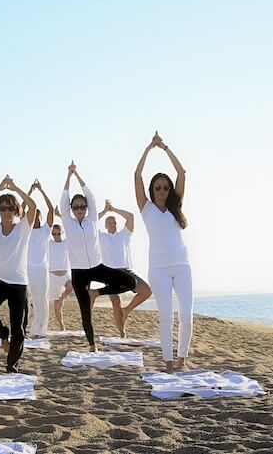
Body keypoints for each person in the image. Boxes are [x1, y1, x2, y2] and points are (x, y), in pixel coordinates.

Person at [60, 160, 139, 352]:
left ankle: (97, 292)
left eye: (82, 207)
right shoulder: (68, 222)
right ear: (71, 209)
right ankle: (92, 344)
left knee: (130, 282)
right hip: (79, 272)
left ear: (87, 208)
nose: (79, 210)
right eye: (76, 207)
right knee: (85, 309)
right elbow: (63, 198)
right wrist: (68, 176)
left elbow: (90, 195)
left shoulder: (93, 219)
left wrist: (78, 174)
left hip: (97, 266)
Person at [135, 131, 192, 372]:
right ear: (152, 190)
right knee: (166, 317)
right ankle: (168, 363)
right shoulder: (145, 208)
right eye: (157, 187)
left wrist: (165, 147)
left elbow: (182, 173)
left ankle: (182, 361)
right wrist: (149, 148)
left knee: (186, 316)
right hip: (157, 269)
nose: (161, 191)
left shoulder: (175, 206)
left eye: (165, 188)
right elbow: (137, 175)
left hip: (181, 266)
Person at [0, 175, 37, 373]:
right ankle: (3, 334)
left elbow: (33, 206)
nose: (7, 212)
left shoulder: (23, 229)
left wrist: (16, 188)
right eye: (3, 208)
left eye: (11, 208)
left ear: (17, 210)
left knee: (19, 329)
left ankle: (12, 365)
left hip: (19, 284)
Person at [96, 200, 153, 337]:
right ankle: (122, 332)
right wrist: (104, 211)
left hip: (126, 272)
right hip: (110, 274)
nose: (112, 224)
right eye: (109, 223)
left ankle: (127, 310)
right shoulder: (101, 237)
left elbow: (130, 217)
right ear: (105, 225)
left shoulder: (124, 235)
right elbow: (90, 222)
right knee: (116, 302)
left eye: (114, 222)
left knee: (146, 291)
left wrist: (113, 209)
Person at [26, 180, 54, 337]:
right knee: (29, 300)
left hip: (42, 269)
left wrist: (42, 191)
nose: (35, 218)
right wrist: (30, 192)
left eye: (37, 216)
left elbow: (51, 210)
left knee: (42, 299)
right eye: (33, 215)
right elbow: (23, 209)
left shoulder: (45, 230)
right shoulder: (25, 230)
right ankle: (30, 327)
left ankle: (41, 330)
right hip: (27, 269)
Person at [48, 221, 73, 330]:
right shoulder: (49, 243)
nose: (56, 236)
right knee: (57, 305)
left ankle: (63, 297)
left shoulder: (67, 242)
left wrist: (61, 216)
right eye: (54, 234)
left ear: (62, 233)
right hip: (52, 276)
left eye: (58, 233)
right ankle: (61, 326)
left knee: (71, 286)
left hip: (65, 274)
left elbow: (71, 227)